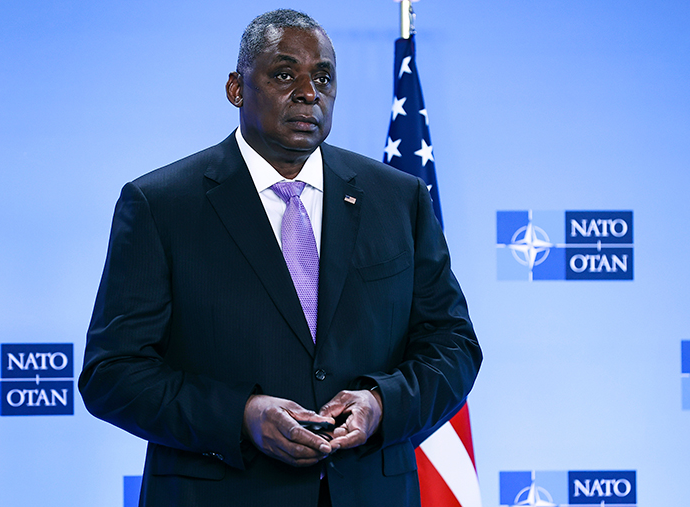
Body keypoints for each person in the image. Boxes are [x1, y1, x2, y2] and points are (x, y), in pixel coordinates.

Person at [79, 8, 481, 507]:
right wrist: (242, 416)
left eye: (324, 77)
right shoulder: (161, 206)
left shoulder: (398, 199)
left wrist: (380, 405)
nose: (309, 93)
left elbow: (453, 345)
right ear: (236, 88)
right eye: (285, 74)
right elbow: (112, 374)